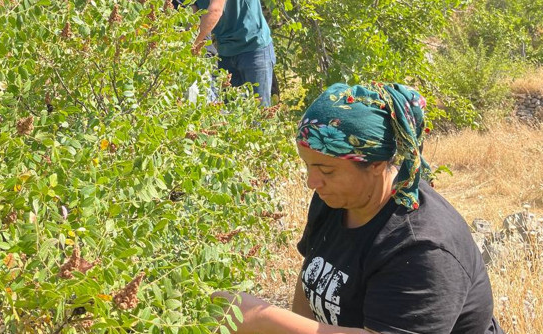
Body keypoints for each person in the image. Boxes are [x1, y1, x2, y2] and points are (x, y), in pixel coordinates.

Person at [214, 82, 502, 333]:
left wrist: (263, 319)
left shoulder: (422, 248)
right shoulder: (336, 199)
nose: (312, 182)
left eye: (326, 170)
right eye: (308, 166)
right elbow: (310, 280)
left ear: (376, 165)